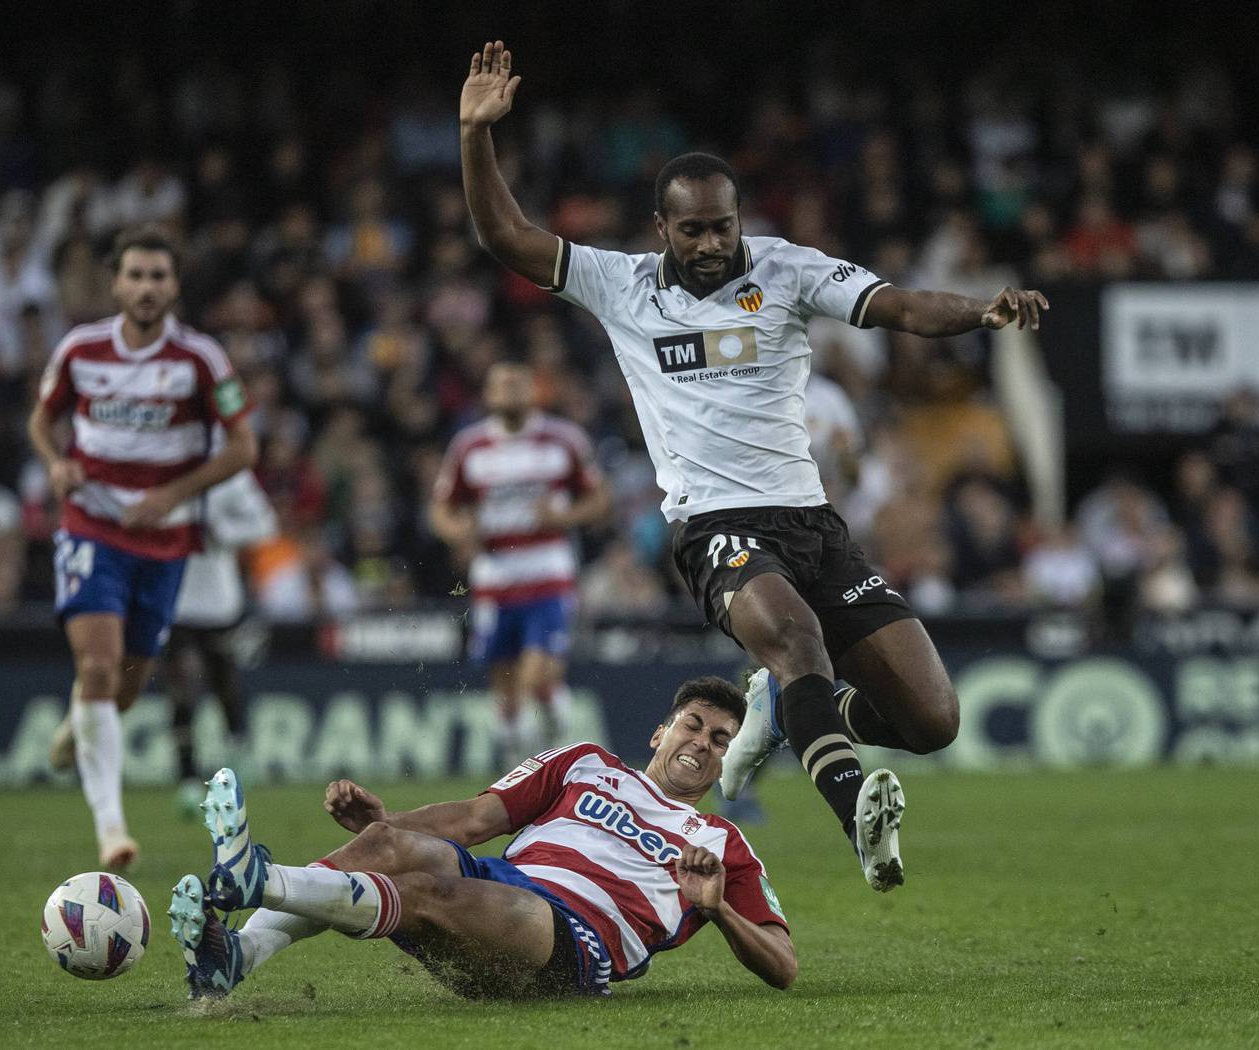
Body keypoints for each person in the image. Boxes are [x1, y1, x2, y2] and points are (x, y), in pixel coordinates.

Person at [457, 41, 1049, 891]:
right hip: (716, 527)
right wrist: (476, 135)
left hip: (811, 524)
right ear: (661, 227)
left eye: (722, 225)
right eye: (691, 229)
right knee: (797, 638)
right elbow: (505, 235)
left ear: (740, 216)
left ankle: (780, 711)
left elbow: (899, 305)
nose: (710, 243)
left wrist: (983, 310)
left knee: (932, 720)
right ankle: (862, 825)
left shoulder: (787, 269)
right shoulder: (620, 284)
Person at [168, 676, 795, 1000]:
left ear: (728, 761)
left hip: (570, 943)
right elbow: (474, 820)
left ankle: (261, 880)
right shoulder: (585, 761)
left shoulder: (720, 841)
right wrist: (387, 822)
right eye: (694, 726)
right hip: (508, 884)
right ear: (660, 732)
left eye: (720, 741)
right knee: (387, 850)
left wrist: (716, 910)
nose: (701, 745)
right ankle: (236, 958)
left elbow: (783, 967)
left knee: (427, 888)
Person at [31, 227, 258, 869]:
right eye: (136, 275)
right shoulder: (80, 349)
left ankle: (79, 725)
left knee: (124, 691)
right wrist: (55, 463)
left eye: (159, 276)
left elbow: (243, 447)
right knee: (98, 671)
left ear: (175, 285)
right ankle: (111, 830)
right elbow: (41, 421)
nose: (147, 287)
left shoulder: (202, 360)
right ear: (116, 283)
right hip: (91, 526)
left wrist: (173, 494)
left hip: (165, 542)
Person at [429, 360, 610, 765]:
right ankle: (519, 760)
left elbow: (599, 499)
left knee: (537, 674)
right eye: (501, 385)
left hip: (548, 571)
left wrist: (563, 518)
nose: (510, 391)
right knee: (506, 685)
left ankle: (549, 754)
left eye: (517, 384)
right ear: (488, 395)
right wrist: (460, 533)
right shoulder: (469, 447)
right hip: (494, 577)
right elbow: (441, 509)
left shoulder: (564, 440)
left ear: (533, 391)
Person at [163, 466, 277, 812]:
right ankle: (185, 777)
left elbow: (266, 524)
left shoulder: (230, 476)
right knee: (182, 683)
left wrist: (220, 530)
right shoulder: (160, 469)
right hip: (174, 597)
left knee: (224, 680)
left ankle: (237, 750)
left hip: (218, 600)